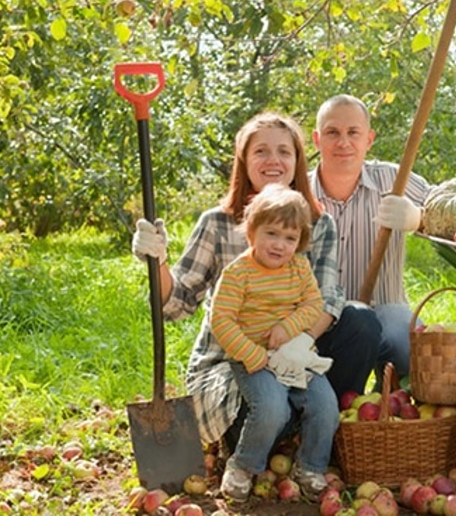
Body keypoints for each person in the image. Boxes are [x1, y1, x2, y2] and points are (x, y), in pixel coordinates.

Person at [131, 111, 381, 464]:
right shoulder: (217, 223)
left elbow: (325, 300)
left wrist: (292, 347)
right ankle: (269, 437)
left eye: (284, 151)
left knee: (361, 322)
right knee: (265, 409)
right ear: (244, 161)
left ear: (297, 161)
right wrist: (156, 260)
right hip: (233, 361)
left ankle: (319, 434)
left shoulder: (317, 224)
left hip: (294, 353)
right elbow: (176, 305)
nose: (273, 160)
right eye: (261, 151)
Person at [209, 183, 337, 501]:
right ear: (252, 232)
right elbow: (221, 320)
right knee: (271, 408)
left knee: (325, 405)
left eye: (290, 238)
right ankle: (242, 465)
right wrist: (254, 355)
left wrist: (288, 326)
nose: (280, 245)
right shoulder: (238, 273)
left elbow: (313, 306)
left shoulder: (299, 267)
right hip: (254, 358)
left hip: (294, 355)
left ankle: (310, 466)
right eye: (272, 234)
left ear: (300, 242)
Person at [309, 94, 431, 383]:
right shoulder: (297, 192)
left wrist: (419, 217)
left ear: (369, 139)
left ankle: (400, 402)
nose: (343, 142)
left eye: (353, 133)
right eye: (332, 132)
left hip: (385, 313)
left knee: (411, 345)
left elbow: (450, 209)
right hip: (315, 320)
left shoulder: (393, 180)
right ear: (316, 139)